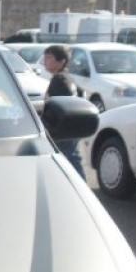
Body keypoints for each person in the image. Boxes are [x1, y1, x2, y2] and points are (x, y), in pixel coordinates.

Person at [41, 44, 85, 180]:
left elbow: (60, 106)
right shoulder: (65, 78)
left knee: (70, 157)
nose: (45, 61)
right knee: (70, 157)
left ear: (62, 61)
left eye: (49, 57)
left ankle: (81, 189)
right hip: (70, 128)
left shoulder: (60, 79)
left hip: (64, 129)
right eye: (45, 57)